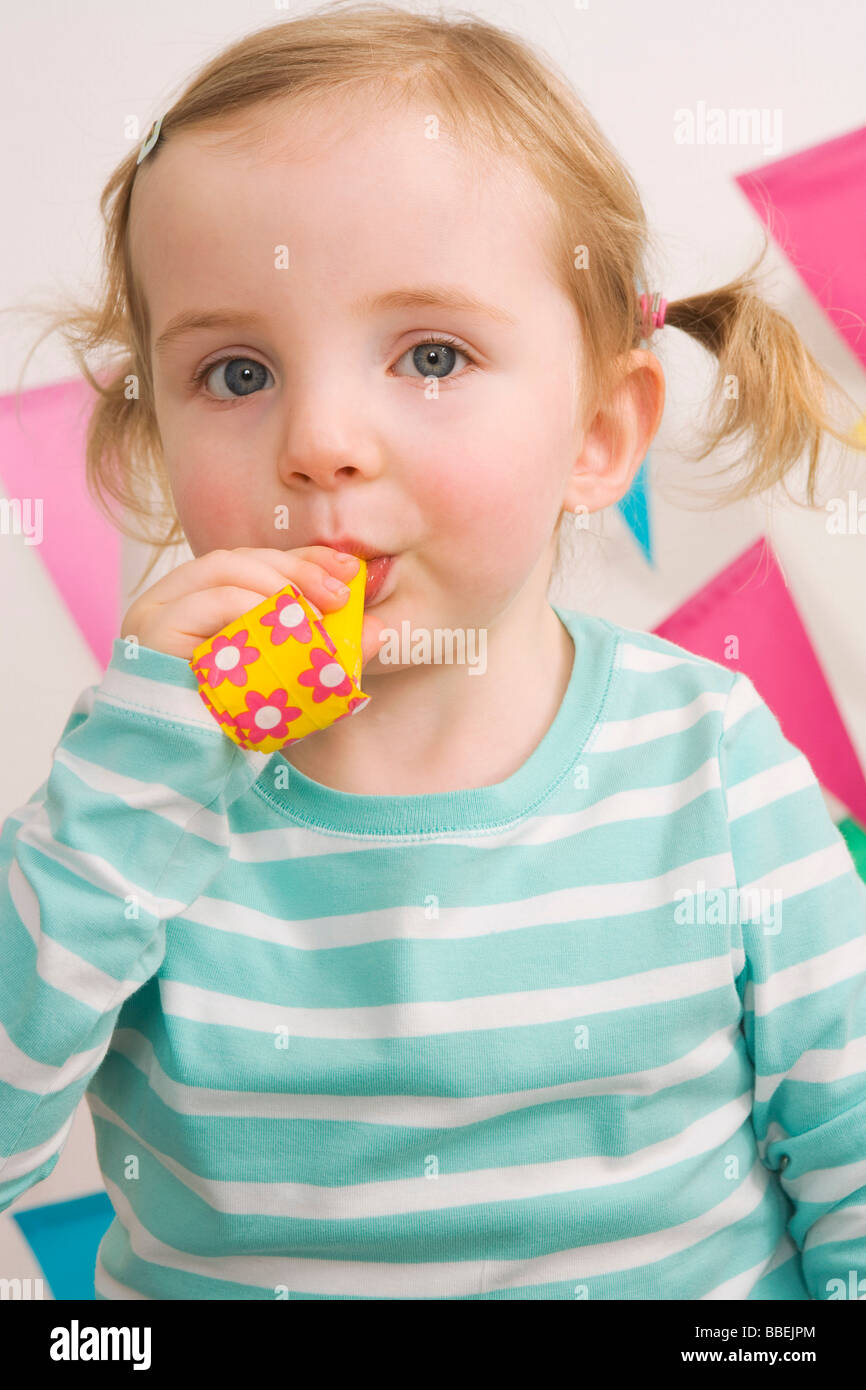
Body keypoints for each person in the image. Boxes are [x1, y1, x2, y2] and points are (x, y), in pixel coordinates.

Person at [2, 3, 865, 1301]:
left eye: (432, 353)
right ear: (152, 444)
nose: (322, 440)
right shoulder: (133, 787)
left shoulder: (709, 761)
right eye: (237, 373)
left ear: (599, 433)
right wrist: (127, 783)